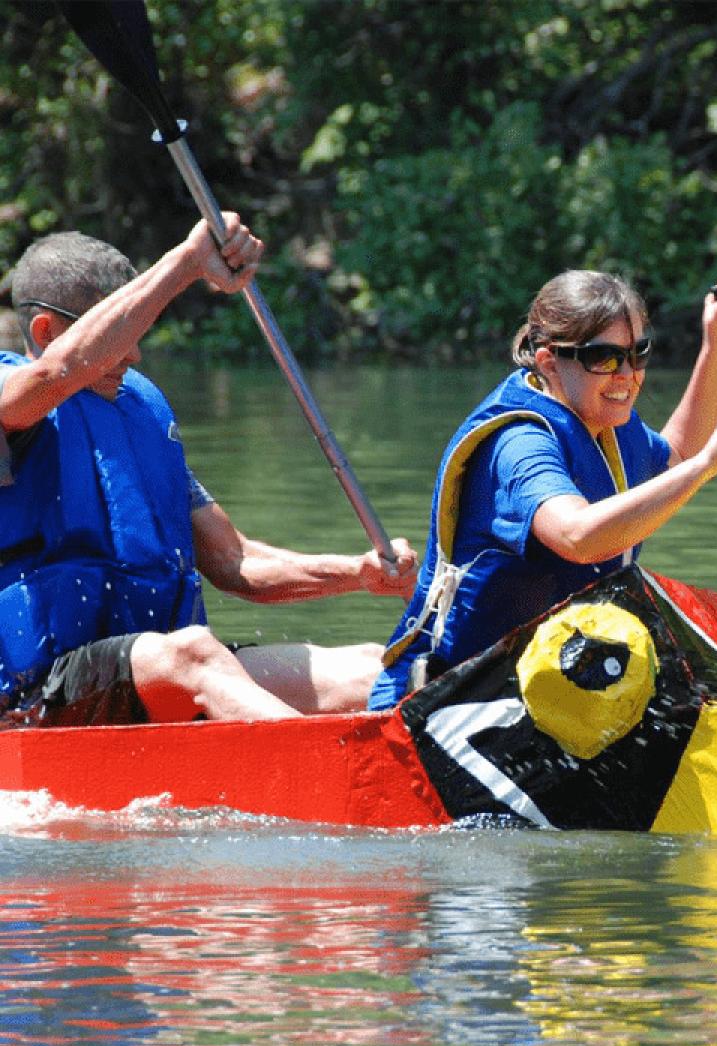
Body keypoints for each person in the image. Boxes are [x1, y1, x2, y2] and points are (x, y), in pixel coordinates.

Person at [0, 216, 419, 727]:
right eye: (119, 331)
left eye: (139, 330)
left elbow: (234, 561)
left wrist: (357, 573)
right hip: (42, 693)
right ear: (46, 331)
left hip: (165, 673)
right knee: (193, 653)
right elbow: (53, 374)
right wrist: (188, 263)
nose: (132, 353)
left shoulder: (140, 413)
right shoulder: (14, 394)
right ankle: (325, 769)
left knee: (372, 668)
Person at [369, 271, 717, 707]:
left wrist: (715, 347)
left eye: (638, 354)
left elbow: (673, 455)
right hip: (445, 703)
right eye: (604, 357)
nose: (628, 376)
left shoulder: (605, 420)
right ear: (547, 362)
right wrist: (704, 467)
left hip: (545, 688)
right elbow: (577, 537)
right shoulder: (519, 442)